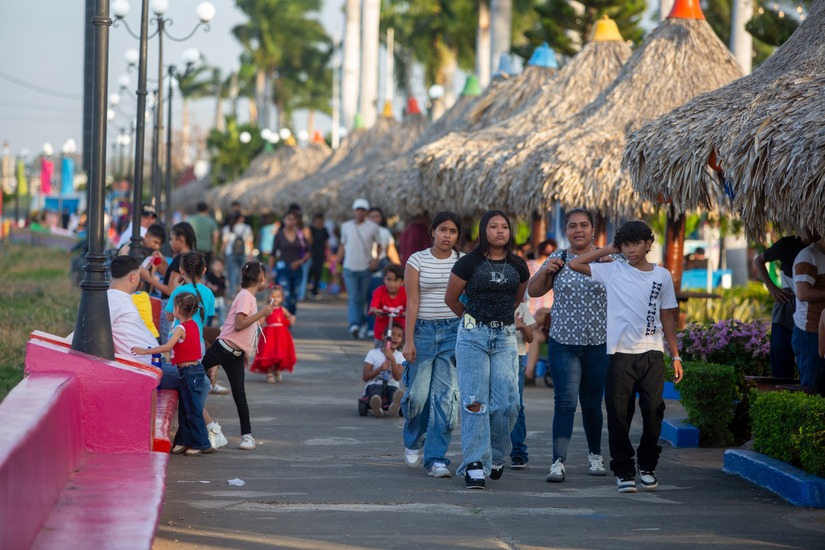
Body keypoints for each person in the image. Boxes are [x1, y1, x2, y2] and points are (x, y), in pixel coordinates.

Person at [568, 220, 681, 494]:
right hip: (619, 355)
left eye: (636, 244)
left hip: (652, 353)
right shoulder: (613, 270)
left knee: (655, 412)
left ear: (648, 244)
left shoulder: (662, 275)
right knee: (620, 415)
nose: (630, 250)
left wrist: (676, 356)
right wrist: (609, 248)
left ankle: (647, 465)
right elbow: (575, 264)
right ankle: (624, 469)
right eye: (626, 245)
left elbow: (668, 316)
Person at [444, 210, 529, 489]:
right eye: (493, 226)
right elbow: (452, 298)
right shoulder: (469, 263)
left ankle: (495, 455)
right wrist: (471, 320)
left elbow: (516, 300)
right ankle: (475, 464)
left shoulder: (518, 265)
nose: (500, 231)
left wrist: (498, 320)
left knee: (507, 403)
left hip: (505, 336)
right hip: (472, 336)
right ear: (484, 231)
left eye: (505, 226)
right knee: (474, 402)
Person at [527, 209, 611, 483]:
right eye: (573, 226)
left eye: (584, 225)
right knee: (564, 403)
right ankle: (557, 462)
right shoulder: (558, 258)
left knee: (592, 404)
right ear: (566, 231)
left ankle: (595, 456)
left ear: (593, 230)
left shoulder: (609, 258)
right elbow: (534, 291)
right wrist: (545, 271)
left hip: (598, 344)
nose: (578, 230)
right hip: (563, 343)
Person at [401, 211, 463, 479]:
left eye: (452, 231)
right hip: (423, 332)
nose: (447, 235)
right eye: (442, 230)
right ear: (433, 232)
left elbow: (467, 299)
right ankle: (414, 439)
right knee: (417, 396)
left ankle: (436, 458)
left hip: (453, 332)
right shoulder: (417, 260)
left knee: (445, 398)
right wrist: (408, 340)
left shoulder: (462, 261)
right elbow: (412, 302)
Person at [201, 261, 275, 450]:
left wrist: (245, 350)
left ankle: (247, 435)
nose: (265, 279)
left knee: (240, 395)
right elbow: (240, 324)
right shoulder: (245, 296)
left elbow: (246, 330)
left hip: (235, 353)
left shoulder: (248, 297)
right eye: (264, 276)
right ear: (260, 278)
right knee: (194, 375)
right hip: (223, 348)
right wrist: (263, 313)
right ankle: (207, 426)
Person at [132, 293, 212, 456]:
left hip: (190, 373)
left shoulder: (180, 328)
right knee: (185, 407)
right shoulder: (193, 325)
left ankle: (201, 442)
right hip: (189, 372)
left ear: (178, 309)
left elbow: (167, 347)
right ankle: (183, 440)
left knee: (193, 409)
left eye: (174, 306)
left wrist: (144, 351)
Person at [753, 235, 810, 378]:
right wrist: (772, 288)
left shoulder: (819, 248)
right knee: (781, 365)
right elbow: (759, 260)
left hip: (811, 312)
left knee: (808, 365)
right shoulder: (787, 243)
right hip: (787, 308)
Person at [143, 222, 197, 343]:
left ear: (181, 239)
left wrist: (149, 279)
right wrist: (163, 262)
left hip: (171, 305)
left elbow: (171, 290)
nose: (170, 243)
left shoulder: (180, 258)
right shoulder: (191, 256)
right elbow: (174, 277)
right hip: (184, 305)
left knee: (167, 342)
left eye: (172, 239)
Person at [336, 199, 382, 339]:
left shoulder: (373, 227)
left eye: (363, 210)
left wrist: (375, 259)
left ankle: (361, 321)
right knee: (354, 297)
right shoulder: (346, 226)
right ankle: (354, 324)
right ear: (354, 210)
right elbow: (342, 246)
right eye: (358, 209)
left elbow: (379, 244)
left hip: (365, 268)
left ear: (366, 211)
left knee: (362, 298)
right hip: (349, 267)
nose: (360, 212)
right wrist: (336, 264)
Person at [165, 252, 215, 358]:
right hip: (198, 343)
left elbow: (169, 317)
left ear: (181, 270)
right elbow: (205, 320)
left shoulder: (179, 291)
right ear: (204, 270)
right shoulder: (209, 293)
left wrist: (175, 289)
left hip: (178, 342)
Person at [792, 236, 825, 394]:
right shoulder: (809, 256)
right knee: (812, 389)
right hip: (810, 332)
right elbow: (803, 293)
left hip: (820, 329)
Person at [524, 238, 557, 384]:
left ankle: (526, 328)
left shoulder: (558, 267)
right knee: (535, 336)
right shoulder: (533, 266)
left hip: (549, 316)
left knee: (538, 315)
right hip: (545, 320)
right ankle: (529, 374)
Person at [250, 285, 297, 383]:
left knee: (280, 353)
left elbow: (290, 316)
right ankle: (269, 372)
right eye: (273, 296)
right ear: (269, 297)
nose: (275, 299)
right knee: (270, 353)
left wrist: (292, 319)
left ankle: (277, 370)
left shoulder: (282, 309)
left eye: (278, 297)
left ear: (282, 298)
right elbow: (260, 321)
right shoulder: (267, 309)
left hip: (281, 335)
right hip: (270, 335)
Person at [510, 298, 536, 470]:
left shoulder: (521, 308)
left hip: (516, 358)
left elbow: (531, 337)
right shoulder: (490, 303)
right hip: (492, 356)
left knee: (516, 406)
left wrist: (521, 325)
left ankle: (519, 452)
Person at [267, 210, 310, 315]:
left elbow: (308, 252)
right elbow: (272, 254)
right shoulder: (279, 235)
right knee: (284, 295)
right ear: (284, 220)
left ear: (296, 221)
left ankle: (290, 318)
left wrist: (300, 262)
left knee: (293, 297)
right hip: (283, 268)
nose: (291, 221)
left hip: (296, 269)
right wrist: (270, 271)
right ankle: (283, 321)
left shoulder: (300, 235)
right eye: (288, 219)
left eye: (293, 219)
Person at [361, 324, 405, 417]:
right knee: (376, 391)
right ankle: (376, 406)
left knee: (394, 392)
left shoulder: (400, 356)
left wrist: (392, 360)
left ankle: (394, 405)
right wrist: (380, 369)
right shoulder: (373, 353)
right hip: (375, 383)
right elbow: (365, 377)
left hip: (391, 384)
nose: (395, 338)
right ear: (383, 337)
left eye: (399, 336)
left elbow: (397, 377)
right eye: (392, 335)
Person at [368, 263, 406, 347]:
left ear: (402, 282)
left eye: (395, 280)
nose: (391, 284)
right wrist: (375, 310)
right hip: (381, 333)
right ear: (384, 279)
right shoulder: (379, 292)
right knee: (378, 355)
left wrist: (407, 313)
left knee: (402, 356)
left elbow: (411, 307)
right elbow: (373, 308)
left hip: (399, 334)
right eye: (389, 279)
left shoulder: (405, 293)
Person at [222, 213, 254, 298]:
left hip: (230, 253)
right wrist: (251, 253)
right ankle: (241, 289)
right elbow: (250, 241)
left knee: (231, 272)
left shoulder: (227, 228)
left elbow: (224, 242)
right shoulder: (247, 227)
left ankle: (232, 292)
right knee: (243, 272)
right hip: (244, 252)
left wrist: (222, 253)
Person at [308, 213, 331, 299]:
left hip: (320, 253)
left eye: (321, 222)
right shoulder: (310, 229)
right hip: (311, 253)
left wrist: (328, 254)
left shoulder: (324, 230)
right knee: (311, 269)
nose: (319, 223)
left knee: (319, 271)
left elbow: (326, 242)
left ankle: (315, 290)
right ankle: (308, 285)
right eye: (317, 222)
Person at [205, 256, 227, 327]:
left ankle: (222, 327)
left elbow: (224, 288)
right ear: (212, 266)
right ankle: (208, 327)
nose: (217, 267)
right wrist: (211, 286)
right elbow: (207, 284)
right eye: (216, 265)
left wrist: (224, 297)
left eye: (219, 265)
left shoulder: (222, 277)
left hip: (220, 298)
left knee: (222, 314)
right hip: (212, 299)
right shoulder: (210, 276)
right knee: (210, 315)